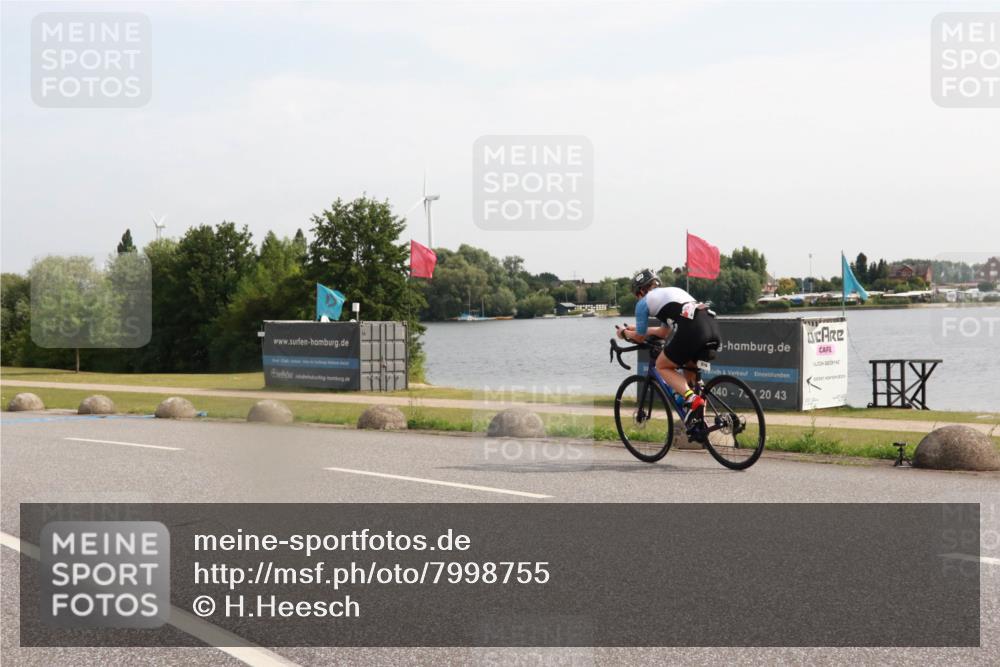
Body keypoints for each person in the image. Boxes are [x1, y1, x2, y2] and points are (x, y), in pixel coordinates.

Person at [616, 269, 721, 420]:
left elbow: (639, 337)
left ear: (640, 291)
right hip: (711, 326)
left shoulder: (643, 302)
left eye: (635, 294)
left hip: (693, 329)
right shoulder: (670, 293)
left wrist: (624, 333)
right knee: (691, 377)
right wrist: (636, 328)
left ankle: (691, 398)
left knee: (662, 366)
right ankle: (700, 425)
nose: (636, 298)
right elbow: (662, 332)